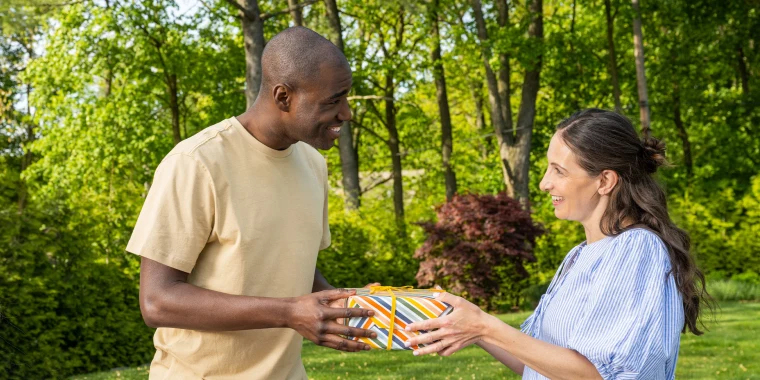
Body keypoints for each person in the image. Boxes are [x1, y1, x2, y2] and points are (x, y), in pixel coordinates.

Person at [125, 27, 378, 380]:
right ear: (283, 97)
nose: (347, 114)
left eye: (346, 98)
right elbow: (157, 301)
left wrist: (349, 305)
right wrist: (290, 313)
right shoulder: (196, 163)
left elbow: (295, 270)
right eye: (333, 101)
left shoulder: (313, 164)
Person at [404, 109, 712, 379]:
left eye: (559, 171)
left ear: (605, 181)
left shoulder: (637, 251)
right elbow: (538, 364)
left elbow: (600, 376)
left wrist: (486, 327)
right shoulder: (579, 256)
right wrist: (470, 325)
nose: (544, 183)